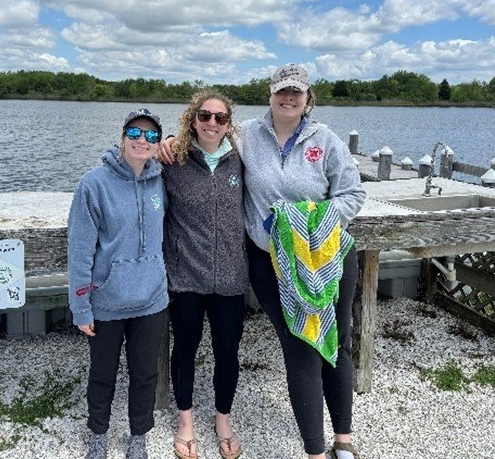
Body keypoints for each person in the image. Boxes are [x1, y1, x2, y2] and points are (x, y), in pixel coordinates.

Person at [160, 64, 366, 459]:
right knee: (300, 346)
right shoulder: (246, 135)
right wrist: (171, 139)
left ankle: (343, 437)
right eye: (281, 92)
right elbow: (206, 136)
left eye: (296, 92)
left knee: (338, 343)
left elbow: (353, 195)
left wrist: (308, 223)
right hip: (272, 262)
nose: (288, 99)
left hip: (327, 258)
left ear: (308, 98)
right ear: (270, 95)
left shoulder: (326, 140)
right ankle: (314, 450)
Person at [68, 109, 169, 459]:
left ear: (159, 143)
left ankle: (138, 435)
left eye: (152, 136)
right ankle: (98, 433)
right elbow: (80, 252)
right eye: (135, 132)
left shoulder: (162, 181)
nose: (143, 140)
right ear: (122, 135)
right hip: (106, 301)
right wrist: (80, 307)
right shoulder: (93, 184)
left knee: (144, 374)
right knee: (102, 375)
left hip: (152, 300)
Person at [162, 91, 248, 459]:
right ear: (192, 118)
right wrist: (163, 141)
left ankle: (223, 418)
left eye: (220, 118)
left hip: (231, 278)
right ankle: (185, 420)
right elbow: (127, 157)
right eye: (205, 115)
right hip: (186, 278)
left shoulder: (241, 160)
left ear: (229, 124)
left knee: (227, 352)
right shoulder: (173, 159)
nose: (212, 123)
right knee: (184, 350)